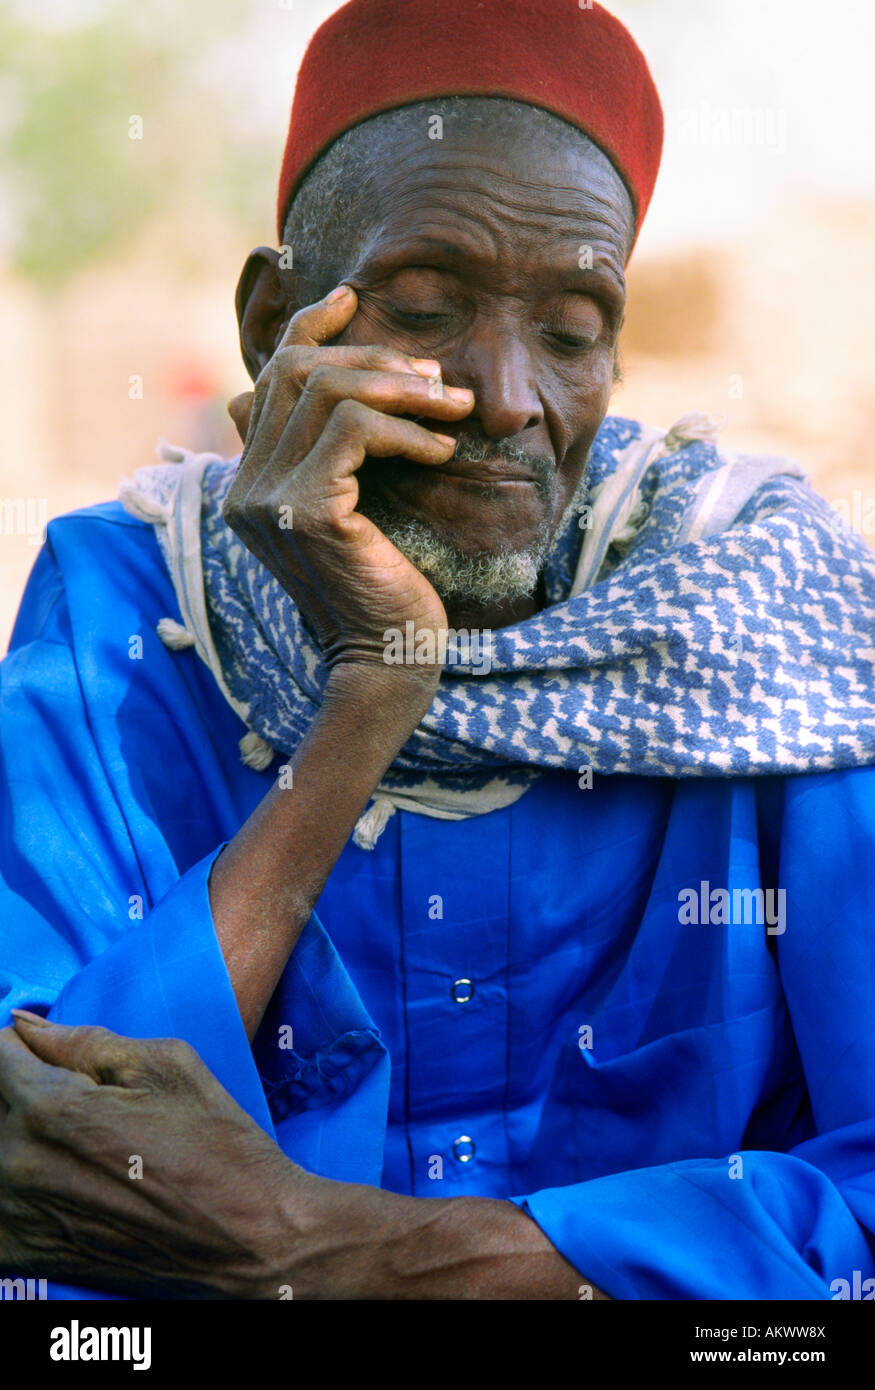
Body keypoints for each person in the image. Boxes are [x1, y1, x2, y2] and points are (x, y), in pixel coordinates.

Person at [2, 0, 875, 1301]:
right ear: (271, 324)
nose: (512, 395)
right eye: (421, 308)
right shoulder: (133, 603)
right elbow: (46, 1163)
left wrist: (342, 1253)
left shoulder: (754, 611)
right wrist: (371, 690)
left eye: (573, 330)